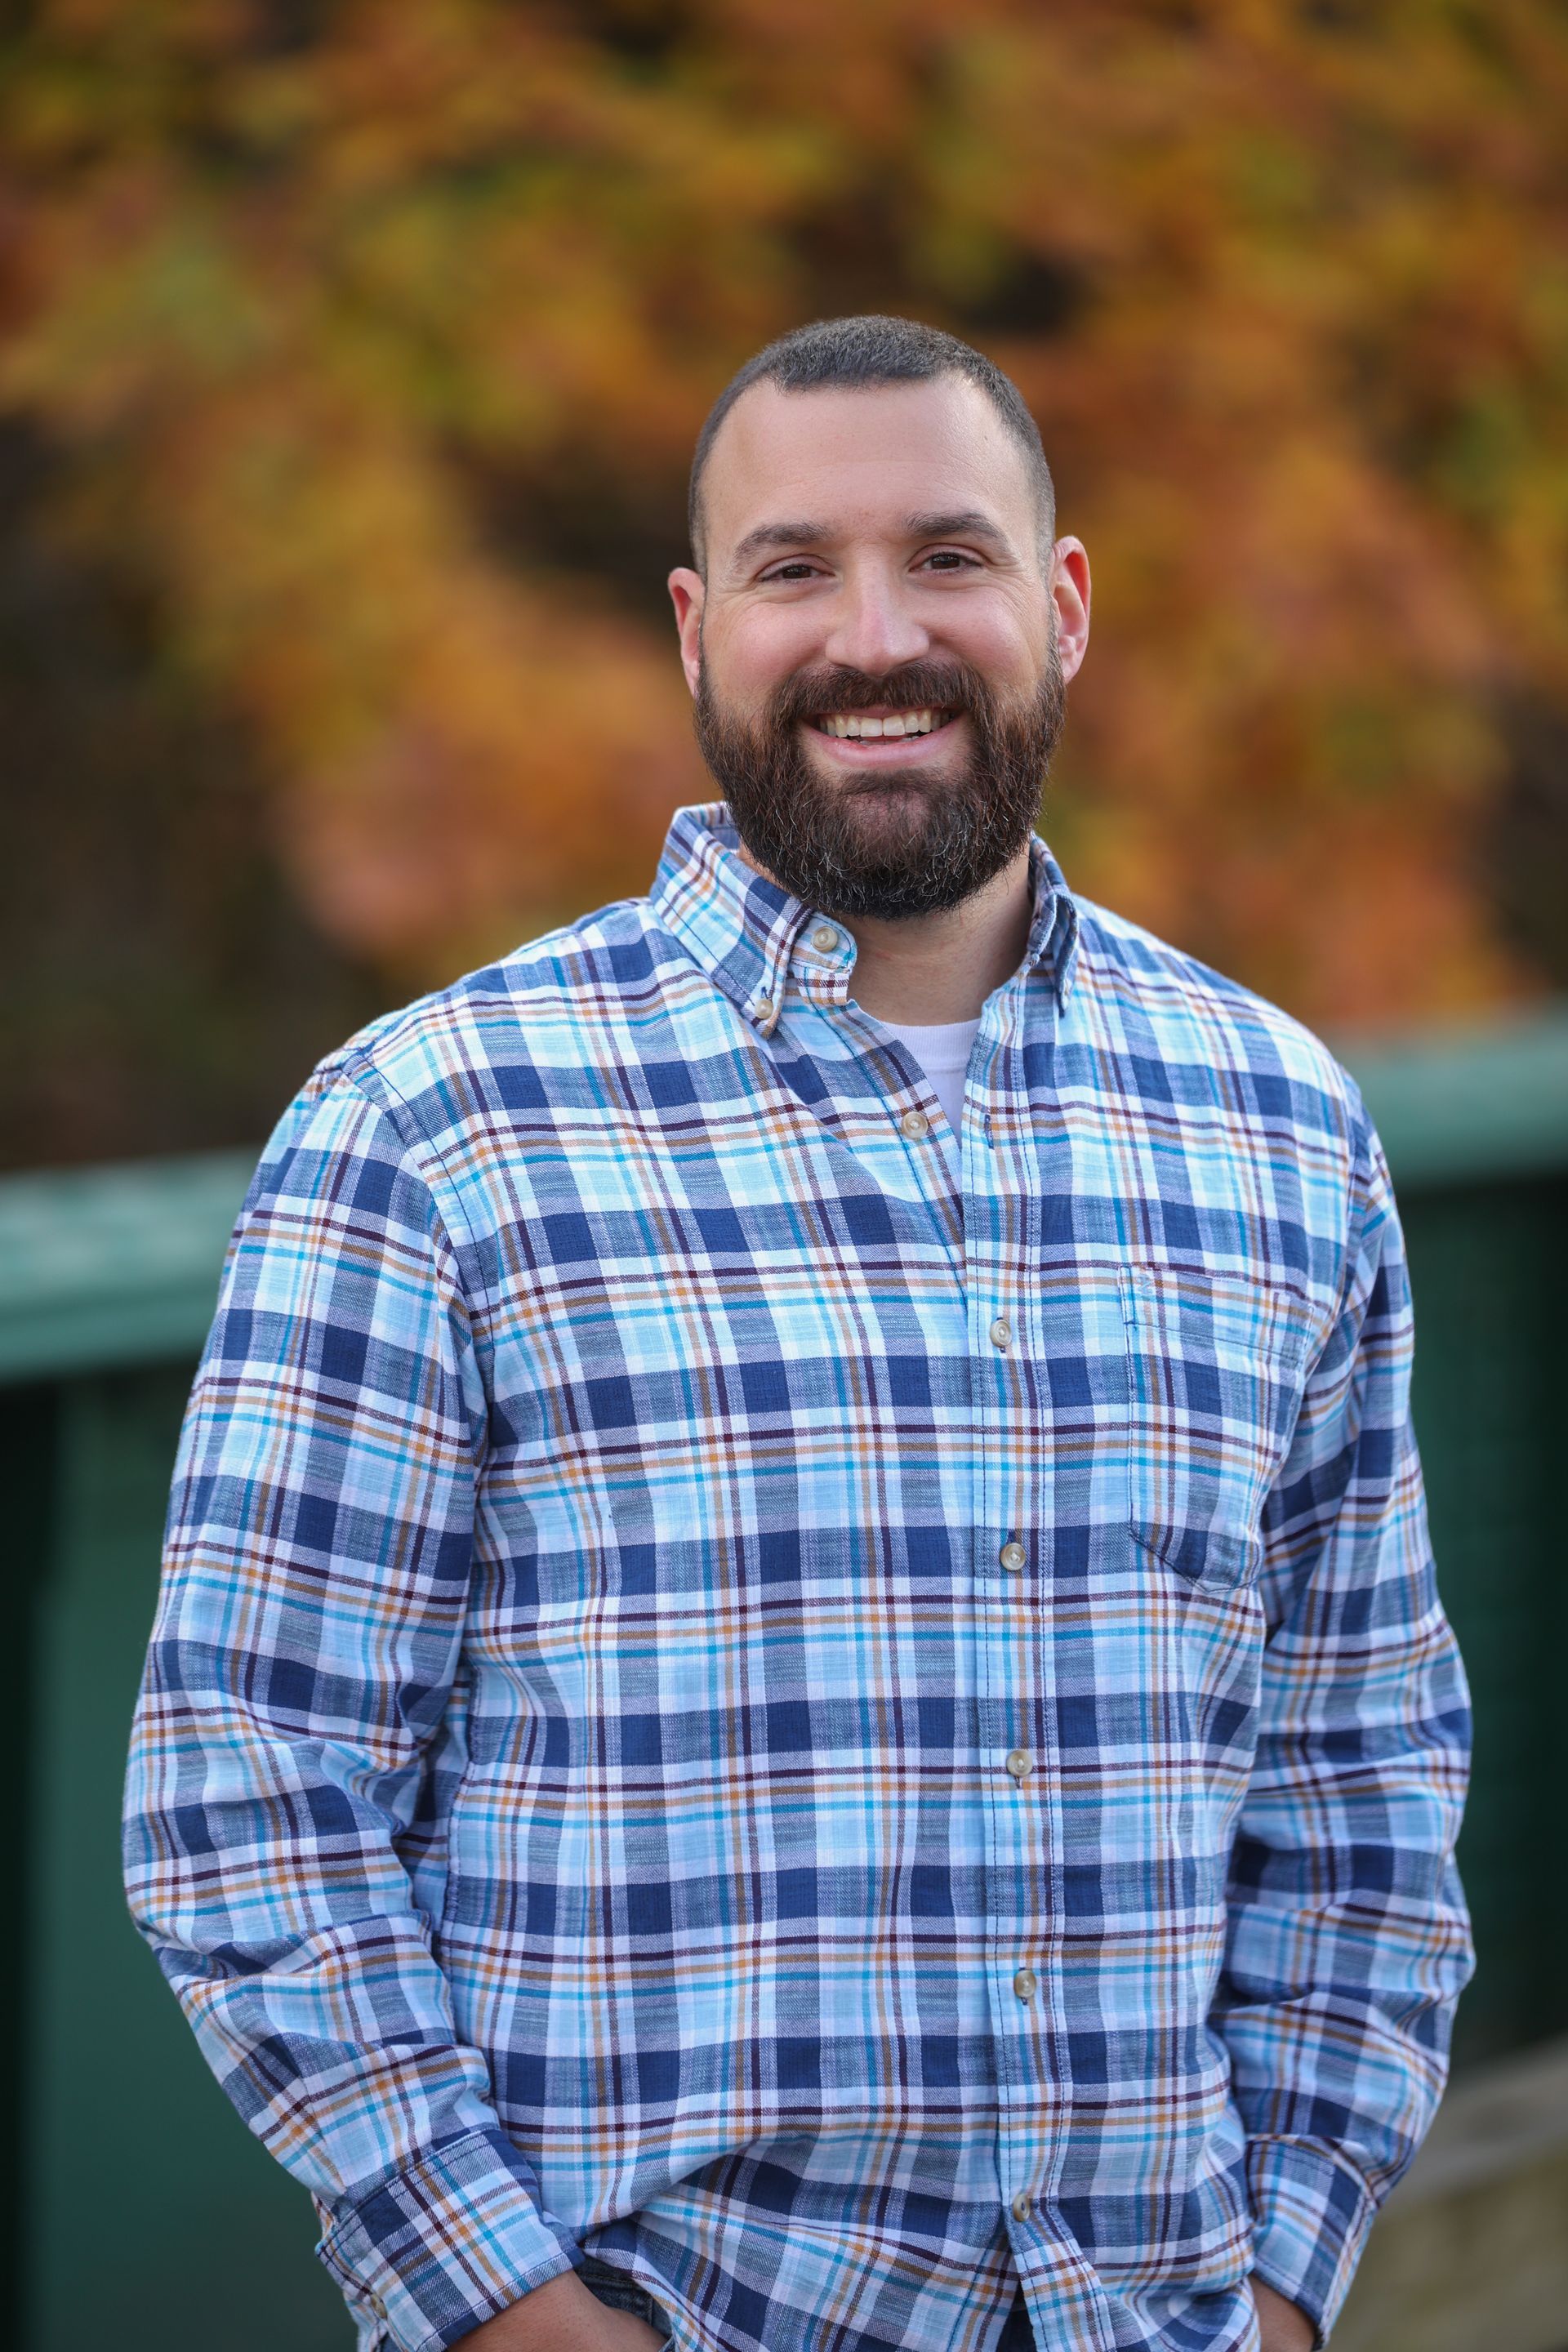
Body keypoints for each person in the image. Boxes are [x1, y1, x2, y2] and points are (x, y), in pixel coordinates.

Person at [124, 315, 1472, 2352]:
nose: (876, 638)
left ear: (1065, 602)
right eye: (792, 571)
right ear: (692, 628)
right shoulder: (435, 1128)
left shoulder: (1278, 1129)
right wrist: (504, 2312)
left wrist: (1286, 2287)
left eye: (949, 558)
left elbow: (1362, 1780)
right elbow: (247, 1791)